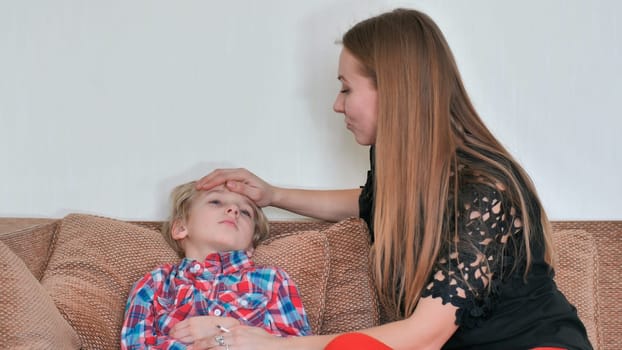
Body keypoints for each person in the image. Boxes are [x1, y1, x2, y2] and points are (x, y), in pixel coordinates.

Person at [188, 8, 592, 350]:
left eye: (346, 89)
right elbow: (369, 199)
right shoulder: (406, 168)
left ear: (394, 91)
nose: (336, 104)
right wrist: (273, 194)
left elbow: (425, 335)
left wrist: (270, 344)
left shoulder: (484, 188)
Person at [121, 181, 311, 350]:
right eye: (216, 202)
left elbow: (296, 343)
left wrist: (228, 329)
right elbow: (136, 344)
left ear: (251, 244)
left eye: (245, 212)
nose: (234, 210)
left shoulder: (272, 279)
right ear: (180, 228)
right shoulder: (157, 282)